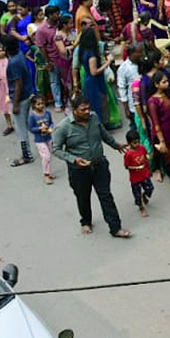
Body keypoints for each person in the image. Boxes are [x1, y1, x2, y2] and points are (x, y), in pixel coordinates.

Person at [51, 96, 131, 238]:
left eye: (88, 108)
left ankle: (115, 227)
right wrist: (74, 159)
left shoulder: (94, 118)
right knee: (83, 196)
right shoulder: (63, 127)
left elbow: (104, 134)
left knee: (106, 195)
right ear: (74, 111)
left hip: (99, 164)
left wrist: (116, 145)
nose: (87, 111)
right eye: (83, 109)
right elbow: (56, 149)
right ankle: (86, 221)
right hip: (79, 170)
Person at [3, 35, 36, 166]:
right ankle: (45, 139)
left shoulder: (13, 63)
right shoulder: (19, 55)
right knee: (27, 123)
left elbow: (18, 83)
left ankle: (26, 155)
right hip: (28, 93)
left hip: (20, 98)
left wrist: (15, 103)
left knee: (21, 129)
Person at [75, 26, 111, 126]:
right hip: (95, 82)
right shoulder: (92, 55)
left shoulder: (82, 51)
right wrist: (107, 64)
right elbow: (94, 71)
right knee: (99, 103)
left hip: (88, 80)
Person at [123, 127, 154, 217]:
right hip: (135, 177)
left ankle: (144, 195)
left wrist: (149, 169)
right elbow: (126, 166)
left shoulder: (142, 148)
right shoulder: (128, 154)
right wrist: (135, 167)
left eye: (138, 141)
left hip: (144, 174)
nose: (137, 144)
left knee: (150, 188)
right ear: (129, 143)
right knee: (137, 193)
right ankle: (141, 207)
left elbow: (146, 159)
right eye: (134, 142)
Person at [26, 94, 55, 185]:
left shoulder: (47, 113)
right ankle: (46, 174)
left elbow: (51, 123)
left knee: (49, 156)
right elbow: (30, 128)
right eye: (38, 104)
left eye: (42, 103)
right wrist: (39, 129)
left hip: (48, 138)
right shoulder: (32, 117)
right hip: (39, 140)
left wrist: (50, 128)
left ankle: (49, 172)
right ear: (34, 105)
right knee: (46, 156)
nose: (41, 106)